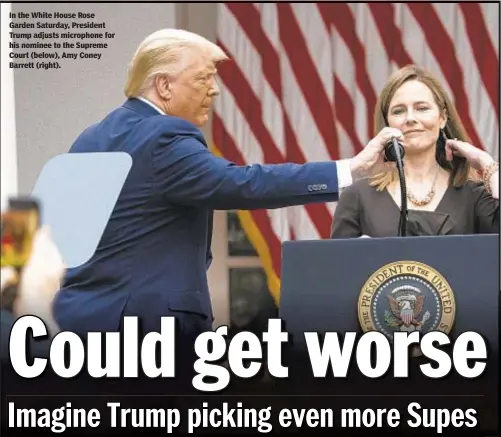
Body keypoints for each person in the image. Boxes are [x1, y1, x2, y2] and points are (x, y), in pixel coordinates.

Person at [52, 29, 396, 339]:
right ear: (164, 85)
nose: (214, 89)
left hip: (84, 327)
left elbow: (67, 236)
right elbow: (242, 183)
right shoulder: (164, 135)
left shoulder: (91, 137)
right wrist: (349, 169)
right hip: (151, 332)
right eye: (204, 78)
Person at [331, 65, 499, 239]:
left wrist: (486, 162)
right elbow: (336, 264)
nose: (410, 118)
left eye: (422, 108)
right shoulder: (358, 197)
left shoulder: (473, 195)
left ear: (442, 118)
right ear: (388, 123)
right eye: (399, 111)